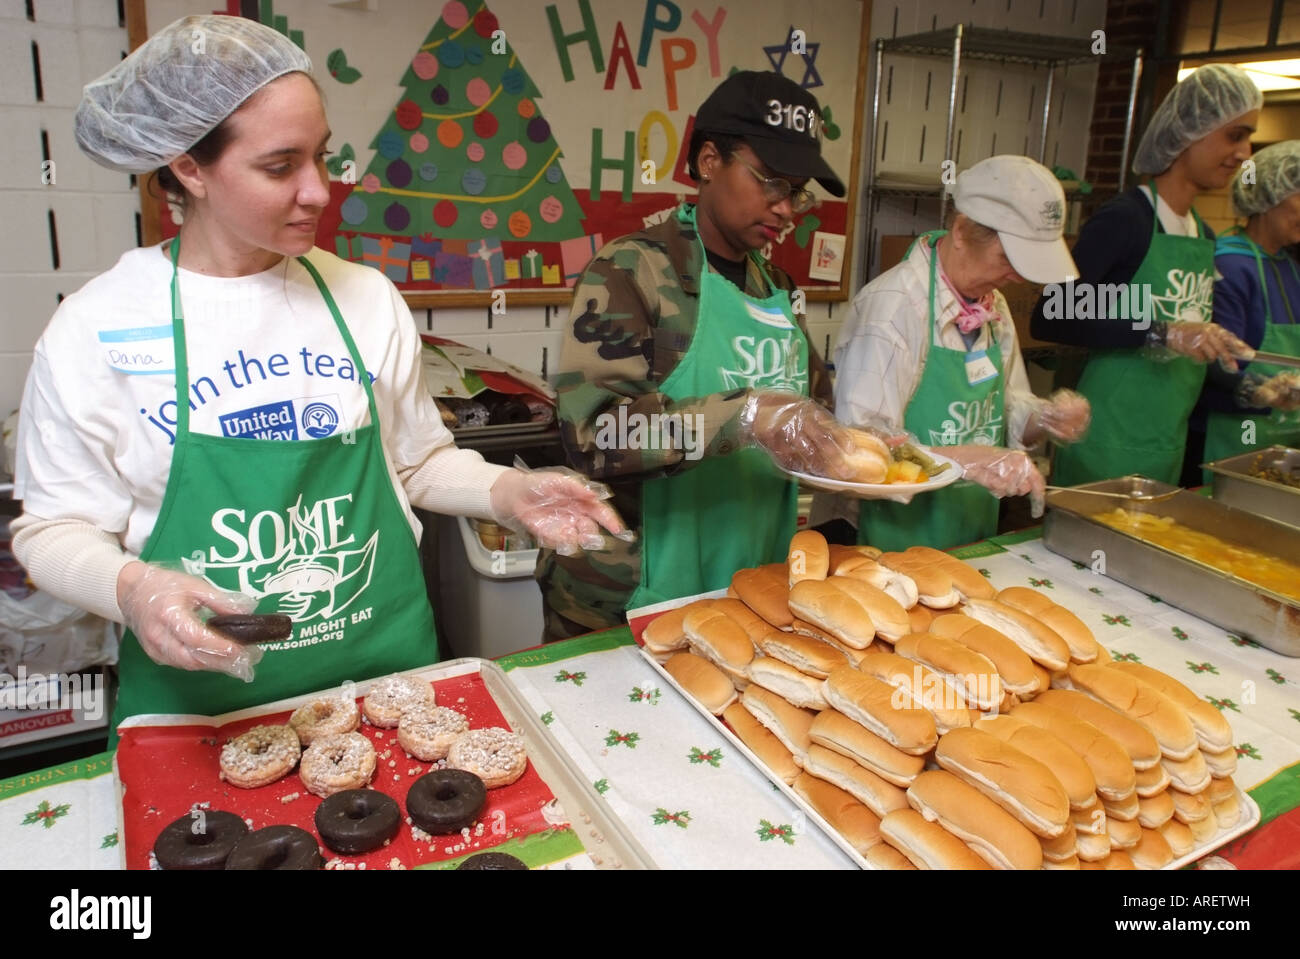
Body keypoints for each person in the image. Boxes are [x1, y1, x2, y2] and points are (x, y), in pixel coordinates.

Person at [11, 16, 626, 737]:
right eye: (280, 166)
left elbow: (419, 461)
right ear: (188, 167)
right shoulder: (97, 328)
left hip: (385, 689)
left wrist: (510, 492)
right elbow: (52, 530)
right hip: (203, 716)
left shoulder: (362, 298)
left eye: (322, 157)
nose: (319, 191)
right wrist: (132, 588)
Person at [536, 70, 862, 642]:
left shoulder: (777, 287)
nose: (788, 209)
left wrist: (860, 445)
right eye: (772, 184)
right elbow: (593, 437)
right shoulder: (632, 271)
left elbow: (813, 411)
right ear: (709, 160)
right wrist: (743, 416)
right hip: (632, 593)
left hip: (751, 579)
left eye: (799, 191)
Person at [817, 156, 1091, 552]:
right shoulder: (893, 308)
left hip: (970, 531)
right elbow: (864, 451)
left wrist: (1043, 419)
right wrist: (966, 461)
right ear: (962, 231)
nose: (1020, 276)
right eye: (1009, 259)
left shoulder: (991, 306)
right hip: (891, 541)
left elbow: (1006, 408)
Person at [1030, 64, 1260, 487]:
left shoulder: (1201, 234)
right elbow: (1053, 314)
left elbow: (1191, 352)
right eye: (1235, 135)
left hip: (1164, 446)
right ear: (1189, 132)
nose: (1245, 152)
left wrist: (1250, 390)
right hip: (1104, 444)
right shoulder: (1128, 221)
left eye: (1249, 138)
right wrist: (1161, 332)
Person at [1191, 140, 1300, 475]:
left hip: (1282, 435)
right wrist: (1265, 391)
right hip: (1230, 435)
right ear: (1267, 196)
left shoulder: (1290, 265)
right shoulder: (1230, 263)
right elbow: (1218, 365)